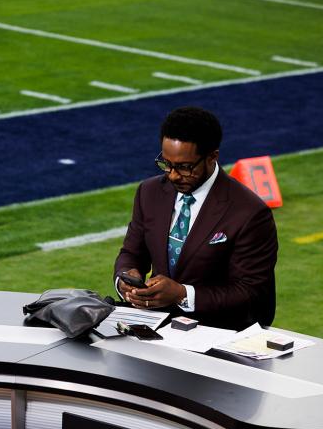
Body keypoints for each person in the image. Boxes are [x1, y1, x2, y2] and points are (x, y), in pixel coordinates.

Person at [114, 106, 278, 330]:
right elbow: (132, 253)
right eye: (166, 164)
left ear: (212, 157)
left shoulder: (250, 213)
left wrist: (182, 294)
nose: (172, 175)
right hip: (157, 328)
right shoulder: (149, 192)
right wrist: (125, 278)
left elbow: (251, 293)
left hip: (218, 334)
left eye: (184, 167)